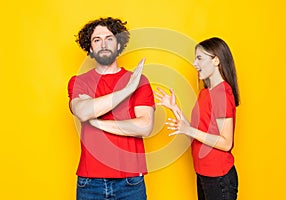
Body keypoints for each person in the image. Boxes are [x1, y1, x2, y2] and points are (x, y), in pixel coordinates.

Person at [67, 17, 155, 200]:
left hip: (131, 182)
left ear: (119, 45)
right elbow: (83, 111)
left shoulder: (140, 80)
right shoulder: (79, 82)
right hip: (90, 182)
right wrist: (127, 90)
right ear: (90, 49)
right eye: (97, 40)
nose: (103, 44)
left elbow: (144, 127)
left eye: (109, 38)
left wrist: (96, 122)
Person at [155, 37, 240, 200]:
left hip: (219, 177)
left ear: (216, 60)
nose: (194, 63)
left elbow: (226, 142)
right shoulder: (205, 93)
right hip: (204, 173)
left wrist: (189, 129)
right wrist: (175, 108)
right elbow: (196, 133)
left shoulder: (221, 94)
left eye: (199, 58)